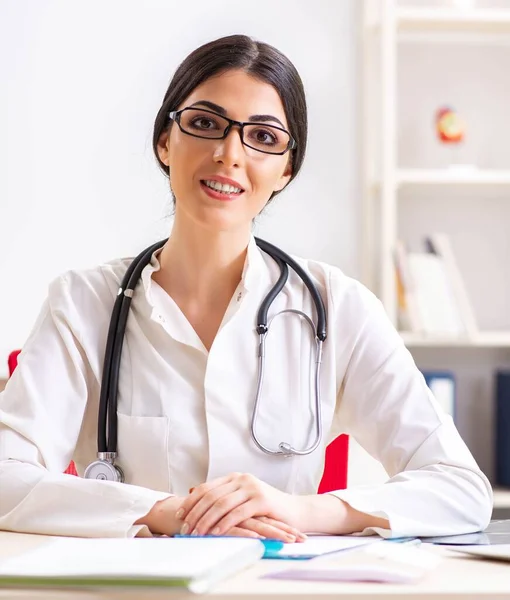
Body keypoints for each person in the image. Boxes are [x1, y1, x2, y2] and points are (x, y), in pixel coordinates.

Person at [0, 34, 492, 542]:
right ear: (164, 142)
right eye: (206, 124)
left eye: (263, 137)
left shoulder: (338, 308)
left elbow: (460, 489)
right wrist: (166, 512)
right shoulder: (82, 305)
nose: (229, 154)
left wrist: (297, 511)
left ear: (286, 170)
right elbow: (6, 477)